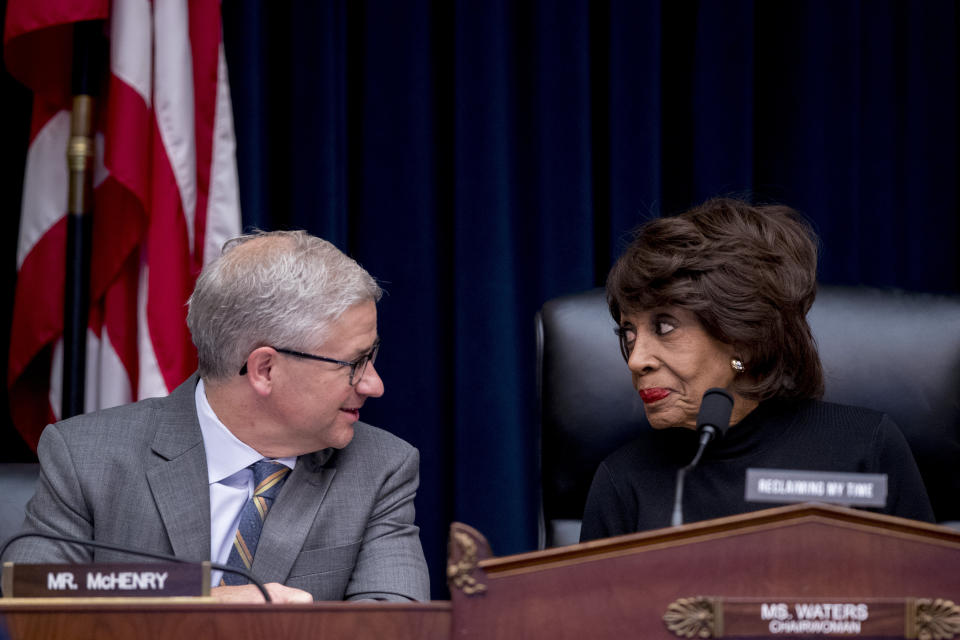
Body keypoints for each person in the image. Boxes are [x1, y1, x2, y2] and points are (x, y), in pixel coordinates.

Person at [2, 230, 430, 603]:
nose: (374, 385)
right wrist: (199, 598)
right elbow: (33, 598)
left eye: (371, 356)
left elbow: (394, 625)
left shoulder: (380, 468)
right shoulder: (87, 457)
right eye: (354, 363)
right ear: (265, 369)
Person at [579, 197, 935, 541]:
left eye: (665, 327)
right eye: (628, 334)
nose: (636, 359)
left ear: (744, 337)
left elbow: (927, 597)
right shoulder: (622, 480)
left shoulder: (865, 447)